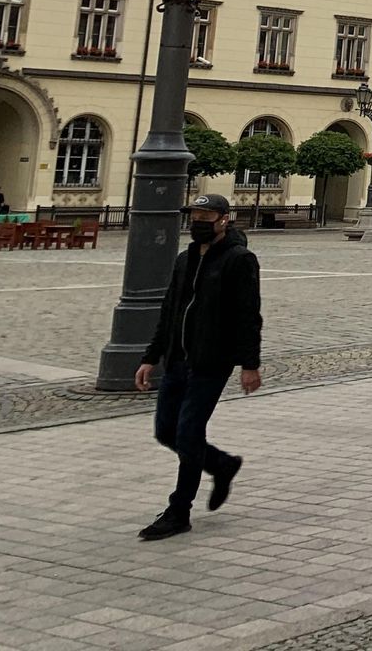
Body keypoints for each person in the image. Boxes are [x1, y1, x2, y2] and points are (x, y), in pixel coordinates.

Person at [132, 194, 261, 541]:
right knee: (166, 432)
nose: (199, 220)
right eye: (195, 214)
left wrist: (250, 364)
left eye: (207, 214)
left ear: (224, 219)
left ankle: (179, 511)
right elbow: (170, 309)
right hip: (177, 358)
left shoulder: (240, 259)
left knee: (188, 433)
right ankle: (221, 464)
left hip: (211, 362)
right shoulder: (184, 259)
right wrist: (150, 356)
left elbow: (249, 316)